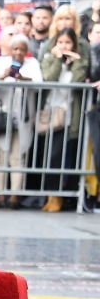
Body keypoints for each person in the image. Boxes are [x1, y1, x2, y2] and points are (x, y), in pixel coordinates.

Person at [0, 33, 43, 208]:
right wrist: (3, 75)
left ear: (26, 51)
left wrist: (24, 79)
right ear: (10, 49)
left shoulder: (32, 64)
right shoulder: (1, 62)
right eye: (15, 48)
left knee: (18, 157)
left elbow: (40, 84)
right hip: (4, 116)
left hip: (23, 117)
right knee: (2, 155)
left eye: (22, 49)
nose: (18, 52)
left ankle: (14, 195)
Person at [39, 28, 88, 212]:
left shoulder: (79, 62)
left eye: (67, 42)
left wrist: (76, 62)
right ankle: (49, 196)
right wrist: (58, 60)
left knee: (59, 157)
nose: (64, 46)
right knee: (47, 157)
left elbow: (77, 80)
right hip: (50, 113)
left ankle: (57, 197)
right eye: (60, 42)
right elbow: (49, 78)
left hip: (68, 116)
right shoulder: (49, 59)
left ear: (74, 45)